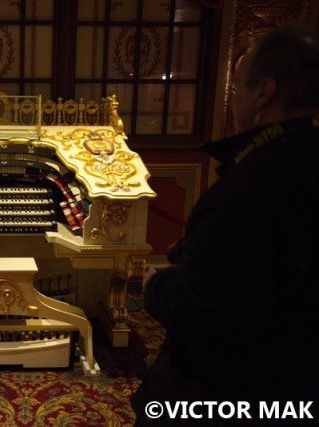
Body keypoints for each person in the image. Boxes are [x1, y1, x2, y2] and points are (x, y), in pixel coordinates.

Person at [131, 25, 319, 426]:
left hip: (234, 386)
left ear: (263, 93)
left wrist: (156, 286)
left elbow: (208, 307)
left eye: (235, 89)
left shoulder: (252, 183)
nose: (234, 101)